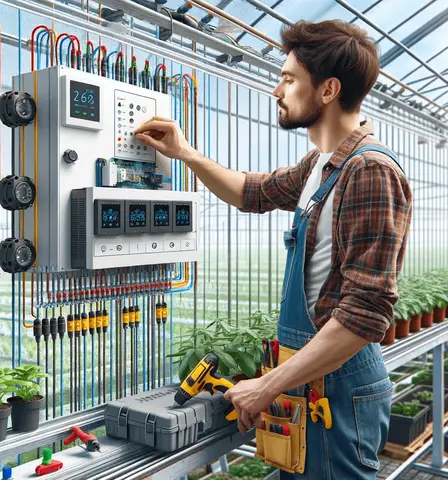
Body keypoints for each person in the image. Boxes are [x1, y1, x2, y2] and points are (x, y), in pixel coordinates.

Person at [135, 19, 412, 480]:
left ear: (327, 90)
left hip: (337, 390)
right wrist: (185, 153)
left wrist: (267, 386)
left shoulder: (368, 171)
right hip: (309, 381)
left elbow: (365, 315)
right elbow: (252, 192)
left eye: (288, 79)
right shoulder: (322, 164)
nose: (276, 90)